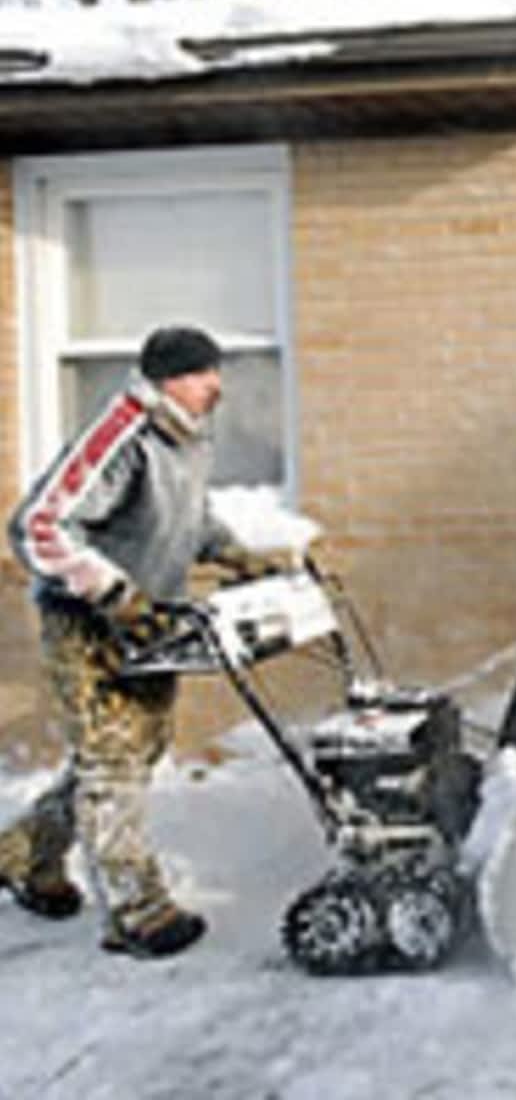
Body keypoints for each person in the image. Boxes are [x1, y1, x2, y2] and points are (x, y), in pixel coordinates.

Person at [0, 325, 293, 958]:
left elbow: (188, 513)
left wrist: (231, 553)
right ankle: (137, 911)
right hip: (88, 621)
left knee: (133, 751)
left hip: (148, 617)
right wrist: (110, 592)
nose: (216, 385)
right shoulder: (124, 435)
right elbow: (37, 526)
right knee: (113, 762)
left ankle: (26, 854)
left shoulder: (187, 436)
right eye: (204, 374)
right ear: (169, 380)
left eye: (216, 372)